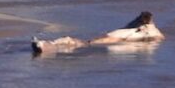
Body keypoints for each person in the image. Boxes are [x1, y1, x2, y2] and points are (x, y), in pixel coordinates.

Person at [31, 12, 163, 54]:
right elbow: (159, 38)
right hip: (119, 40)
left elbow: (158, 37)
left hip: (118, 40)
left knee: (85, 43)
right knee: (85, 43)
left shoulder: (149, 30)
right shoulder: (150, 30)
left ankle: (47, 46)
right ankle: (47, 46)